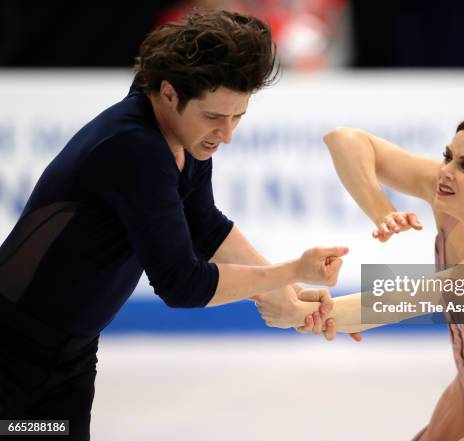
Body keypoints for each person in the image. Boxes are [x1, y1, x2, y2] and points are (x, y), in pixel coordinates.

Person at [0, 10, 345, 440]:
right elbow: (182, 284)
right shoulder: (134, 148)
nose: (227, 134)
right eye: (215, 117)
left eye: (238, 117)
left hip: (69, 353)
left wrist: (283, 294)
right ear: (168, 92)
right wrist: (291, 272)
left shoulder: (181, 135)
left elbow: (203, 224)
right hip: (11, 351)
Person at [261, 115, 464, 440]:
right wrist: (382, 211)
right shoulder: (451, 203)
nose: (445, 171)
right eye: (448, 156)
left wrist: (299, 312)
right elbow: (343, 140)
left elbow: (399, 302)